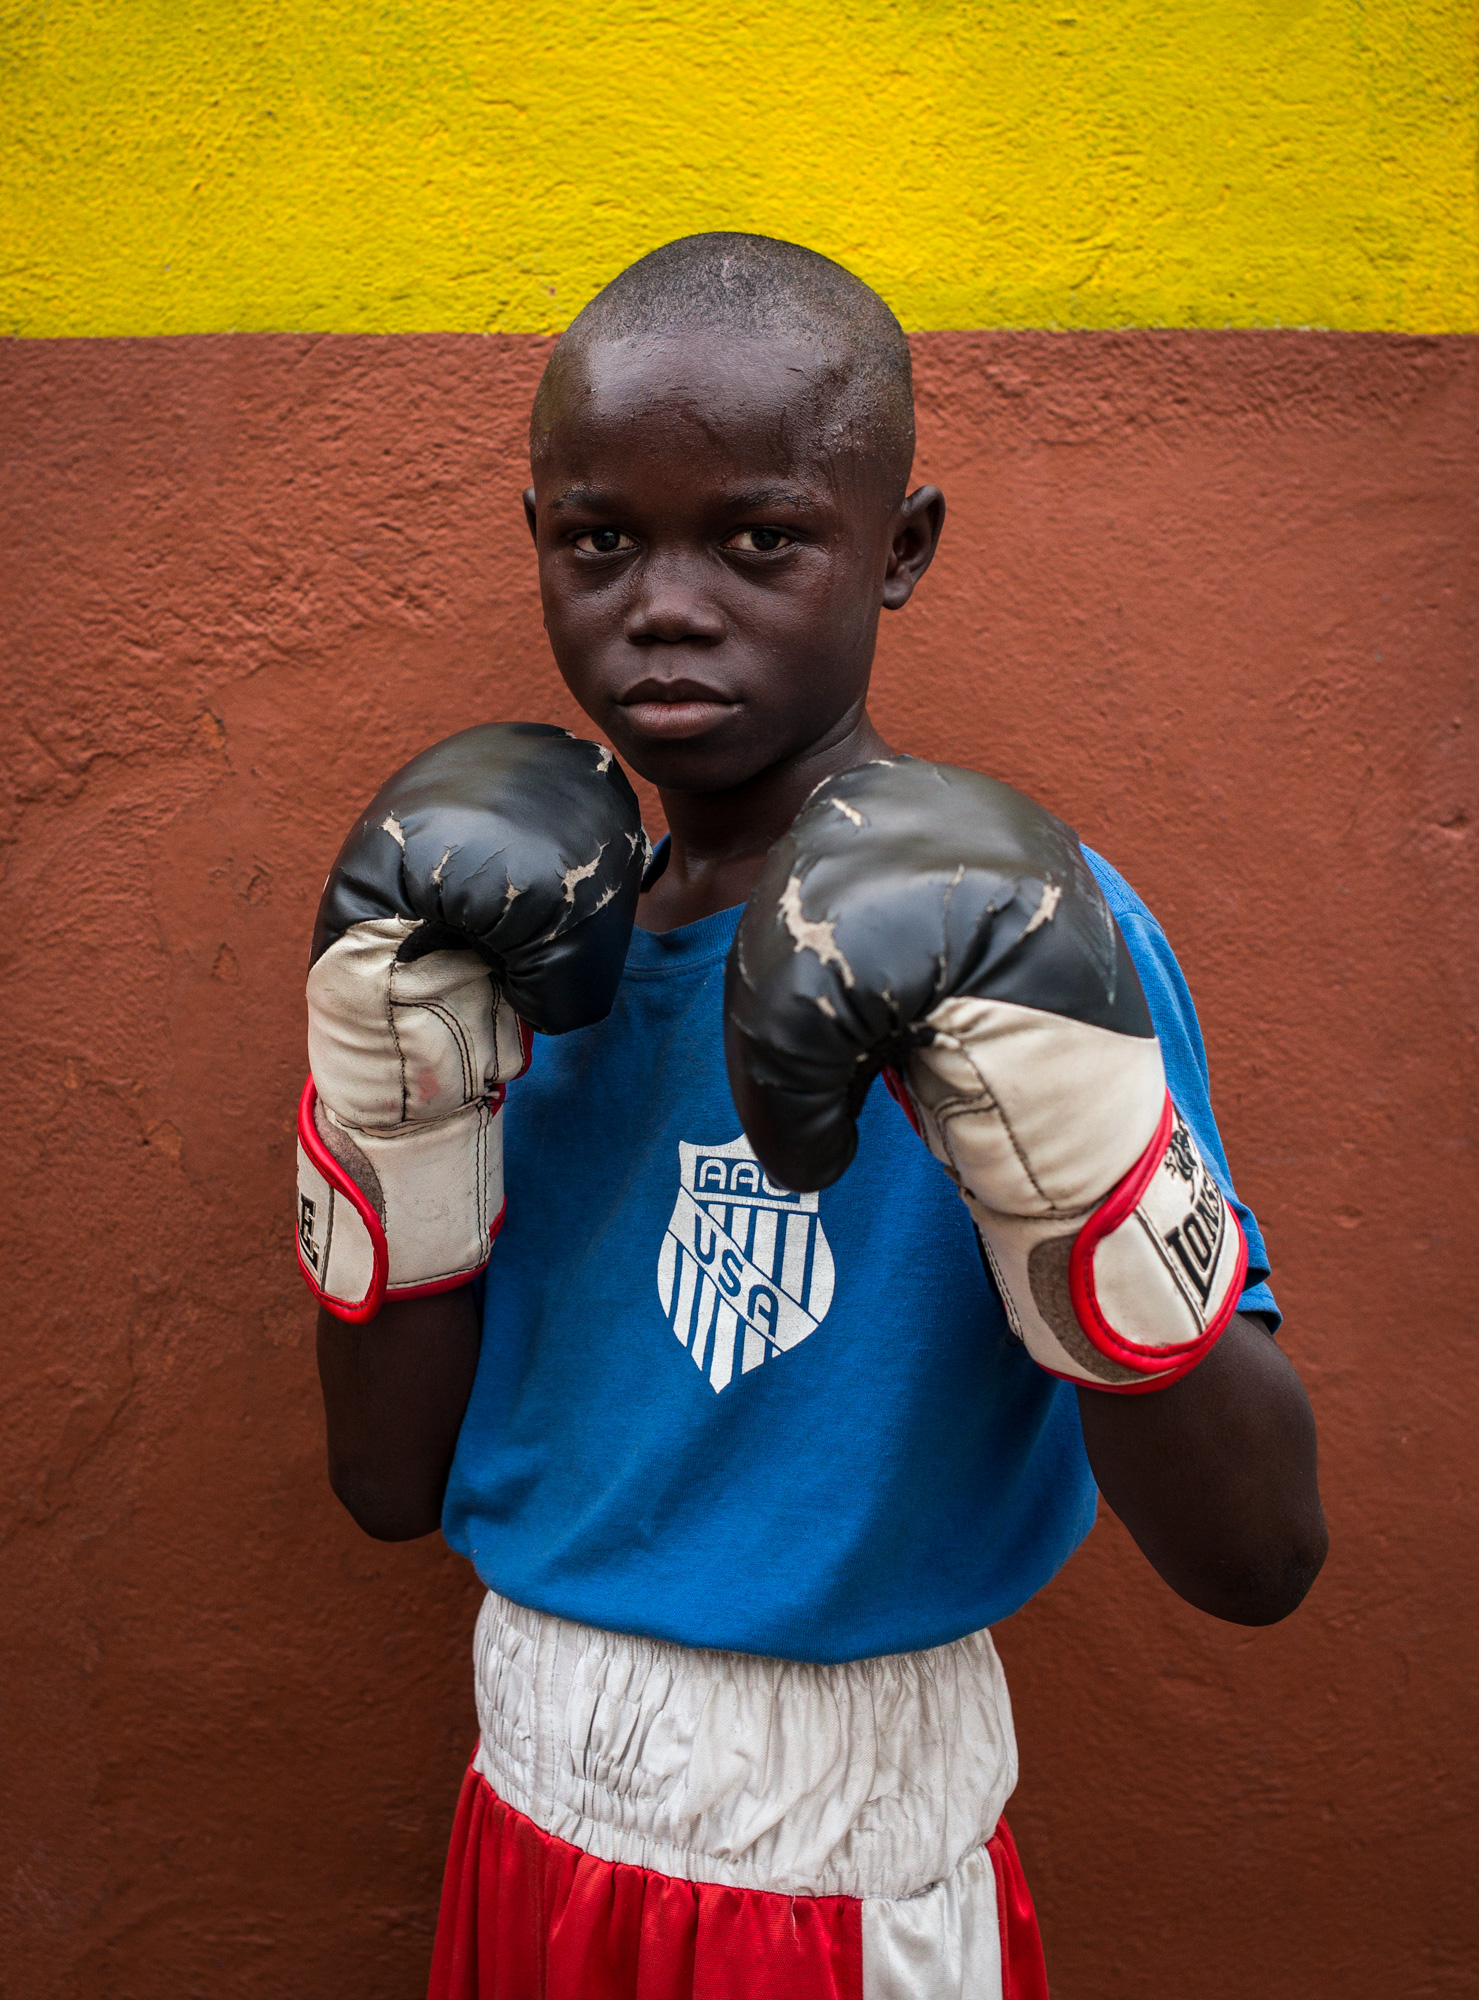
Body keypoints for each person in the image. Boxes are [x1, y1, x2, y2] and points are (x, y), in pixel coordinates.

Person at [303, 234, 1327, 1999]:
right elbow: (389, 1487)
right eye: (600, 539)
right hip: (526, 1794)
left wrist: (1079, 1176)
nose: (670, 602)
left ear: (901, 548)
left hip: (848, 1863)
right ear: (536, 539)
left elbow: (1261, 1557)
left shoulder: (1037, 940)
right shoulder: (487, 946)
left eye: (759, 537)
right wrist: (382, 1118)